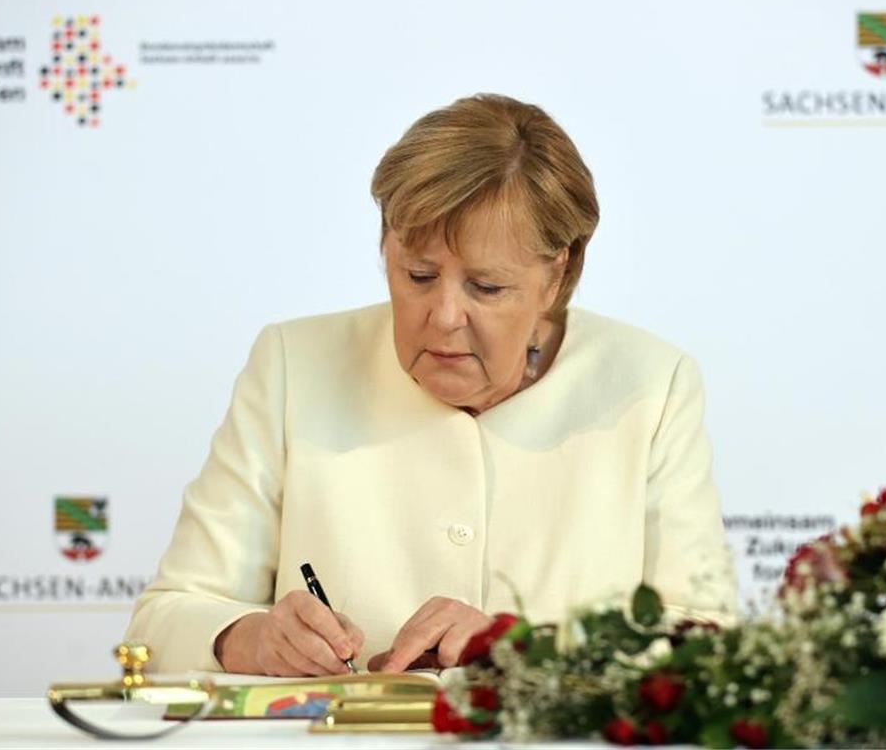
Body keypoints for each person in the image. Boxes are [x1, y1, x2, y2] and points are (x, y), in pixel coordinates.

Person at [125, 93, 738, 677]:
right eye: (418, 275)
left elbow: (706, 643)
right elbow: (165, 618)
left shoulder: (649, 385)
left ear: (558, 274)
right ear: (384, 244)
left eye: (486, 287)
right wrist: (253, 639)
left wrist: (523, 649)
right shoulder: (294, 364)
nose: (443, 316)